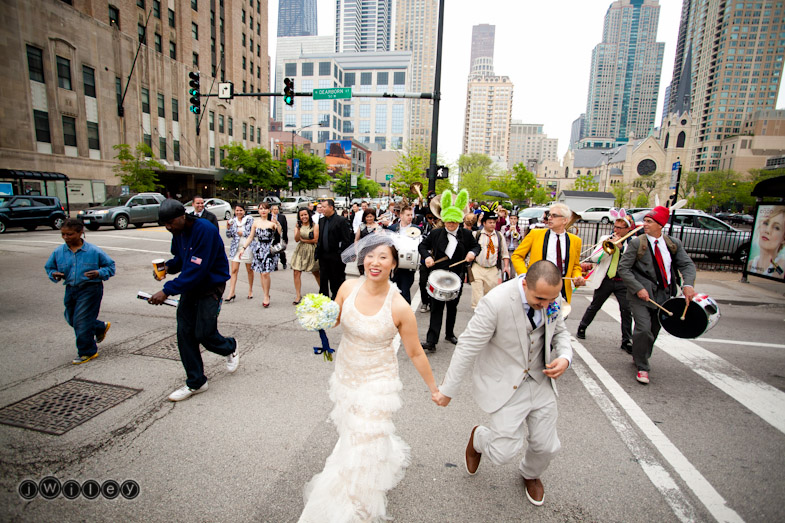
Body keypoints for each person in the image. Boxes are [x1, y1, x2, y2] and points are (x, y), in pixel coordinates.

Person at [298, 234, 439, 523]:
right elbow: (335, 320)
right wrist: (316, 315)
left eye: (383, 257)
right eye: (370, 256)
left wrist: (434, 389)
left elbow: (414, 352)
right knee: (354, 431)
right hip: (347, 372)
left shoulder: (399, 306)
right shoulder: (348, 287)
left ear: (394, 264)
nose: (375, 262)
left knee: (364, 436)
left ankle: (356, 500)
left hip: (379, 379)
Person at [433, 260, 572, 507]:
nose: (546, 305)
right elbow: (467, 346)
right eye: (540, 299)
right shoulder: (495, 302)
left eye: (551, 301)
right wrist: (447, 390)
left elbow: (560, 332)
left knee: (547, 446)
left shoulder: (551, 297)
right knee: (501, 453)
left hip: (541, 381)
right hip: (506, 383)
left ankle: (530, 473)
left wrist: (564, 357)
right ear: (525, 283)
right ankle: (478, 438)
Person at [149, 199, 238, 402]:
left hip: (210, 285)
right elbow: (182, 260)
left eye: (171, 222)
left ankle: (230, 347)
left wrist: (166, 290)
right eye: (165, 224)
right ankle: (196, 382)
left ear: (183, 216)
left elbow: (197, 269)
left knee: (204, 333)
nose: (168, 227)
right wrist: (167, 268)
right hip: (190, 286)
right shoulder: (177, 233)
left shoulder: (204, 229)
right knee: (185, 333)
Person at [618, 206, 696, 385]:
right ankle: (643, 366)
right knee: (643, 329)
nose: (644, 224)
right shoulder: (637, 243)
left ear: (660, 225)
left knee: (653, 331)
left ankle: (641, 355)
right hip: (641, 295)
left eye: (649, 221)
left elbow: (687, 265)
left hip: (664, 295)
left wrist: (688, 285)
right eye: (644, 220)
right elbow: (624, 268)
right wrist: (638, 288)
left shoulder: (672, 243)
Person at [45, 218, 115, 364]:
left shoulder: (93, 251)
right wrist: (54, 274)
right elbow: (49, 267)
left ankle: (87, 351)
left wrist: (98, 273)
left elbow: (110, 267)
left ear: (80, 233)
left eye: (69, 234)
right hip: (71, 289)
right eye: (63, 234)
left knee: (82, 321)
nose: (66, 238)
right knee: (71, 318)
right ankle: (99, 326)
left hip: (90, 289)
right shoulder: (59, 252)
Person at [418, 190, 480, 352]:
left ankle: (450, 333)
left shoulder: (466, 234)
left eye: (453, 222)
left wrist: (472, 253)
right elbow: (422, 246)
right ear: (444, 220)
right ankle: (431, 341)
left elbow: (476, 246)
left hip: (457, 275)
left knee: (452, 306)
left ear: (459, 221)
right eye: (448, 222)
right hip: (438, 274)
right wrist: (427, 257)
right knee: (436, 307)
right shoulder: (436, 233)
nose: (450, 225)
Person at [576, 210, 635, 353]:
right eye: (615, 226)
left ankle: (626, 340)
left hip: (623, 282)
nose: (616, 230)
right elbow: (595, 258)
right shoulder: (605, 238)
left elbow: (633, 262)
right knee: (595, 305)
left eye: (620, 228)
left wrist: (621, 251)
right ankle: (582, 327)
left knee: (626, 310)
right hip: (606, 279)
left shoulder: (633, 243)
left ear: (628, 229)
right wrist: (610, 249)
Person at [511, 203, 585, 304]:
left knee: (559, 318)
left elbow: (575, 266)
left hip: (561, 290)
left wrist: (577, 277)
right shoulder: (535, 234)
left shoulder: (575, 241)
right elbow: (517, 256)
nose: (549, 218)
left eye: (554, 216)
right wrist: (525, 275)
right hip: (537, 286)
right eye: (549, 215)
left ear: (565, 220)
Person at [238, 202, 282, 308]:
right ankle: (266, 294)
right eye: (261, 208)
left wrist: (277, 224)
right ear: (258, 210)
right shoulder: (256, 223)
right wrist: (243, 248)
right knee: (262, 274)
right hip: (259, 249)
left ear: (268, 211)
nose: (263, 210)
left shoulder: (272, 223)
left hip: (269, 249)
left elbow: (280, 234)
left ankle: (266, 295)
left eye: (265, 209)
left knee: (266, 273)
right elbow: (250, 237)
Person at [315, 199, 354, 299]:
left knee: (336, 280)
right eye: (321, 207)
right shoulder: (322, 220)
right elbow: (320, 238)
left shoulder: (341, 220)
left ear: (331, 207)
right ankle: (324, 300)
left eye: (324, 207)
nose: (321, 209)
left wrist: (341, 253)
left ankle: (337, 300)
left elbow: (346, 240)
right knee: (323, 280)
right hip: (323, 256)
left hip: (336, 256)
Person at [470, 212, 510, 309]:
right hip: (477, 267)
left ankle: (486, 313)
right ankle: (478, 314)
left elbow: (505, 253)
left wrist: (506, 266)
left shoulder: (499, 236)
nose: (492, 224)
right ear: (484, 223)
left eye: (494, 222)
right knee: (477, 294)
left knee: (490, 295)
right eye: (490, 222)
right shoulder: (476, 234)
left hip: (492, 269)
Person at [388, 205, 418, 302]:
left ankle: (405, 314)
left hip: (408, 265)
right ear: (401, 216)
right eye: (408, 215)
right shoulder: (392, 228)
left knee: (405, 291)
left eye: (411, 215)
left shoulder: (417, 229)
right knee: (393, 290)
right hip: (395, 265)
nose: (410, 217)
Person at [224, 204, 254, 302]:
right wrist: (228, 228)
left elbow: (252, 233)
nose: (238, 212)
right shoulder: (233, 221)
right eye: (237, 210)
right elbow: (229, 235)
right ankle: (231, 292)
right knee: (234, 270)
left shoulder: (249, 219)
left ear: (244, 211)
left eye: (241, 210)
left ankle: (250, 290)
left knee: (249, 270)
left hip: (247, 246)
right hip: (236, 248)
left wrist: (242, 233)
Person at [291, 208, 320, 304]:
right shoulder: (298, 226)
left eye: (305, 215)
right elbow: (296, 239)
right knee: (296, 271)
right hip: (300, 250)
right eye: (301, 215)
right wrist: (298, 230)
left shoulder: (315, 226)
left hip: (311, 250)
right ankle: (298, 295)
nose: (304, 217)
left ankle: (323, 291)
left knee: (315, 272)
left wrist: (304, 241)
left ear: (309, 215)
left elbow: (315, 240)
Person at [749, 206, 785, 278]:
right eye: (766, 223)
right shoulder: (750, 264)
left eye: (776, 228)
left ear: (783, 239)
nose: (767, 231)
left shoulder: (782, 267)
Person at [271, 204, 289, 270]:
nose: (276, 211)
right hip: (272, 237)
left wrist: (285, 237)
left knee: (281, 251)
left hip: (280, 237)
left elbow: (285, 228)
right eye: (274, 209)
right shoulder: (269, 217)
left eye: (277, 209)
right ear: (271, 210)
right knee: (273, 251)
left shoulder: (282, 217)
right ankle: (275, 265)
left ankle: (284, 263)